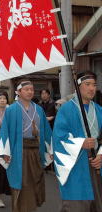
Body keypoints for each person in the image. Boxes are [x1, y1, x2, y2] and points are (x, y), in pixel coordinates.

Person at [0, 80, 53, 212]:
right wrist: (5, 152)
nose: (30, 92)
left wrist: (50, 149)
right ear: (18, 92)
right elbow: (5, 131)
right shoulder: (11, 109)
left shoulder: (38, 109)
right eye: (26, 89)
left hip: (36, 150)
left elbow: (46, 131)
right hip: (18, 151)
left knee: (35, 180)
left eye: (32, 89)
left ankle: (31, 209)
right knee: (21, 182)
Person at [53, 71, 102, 212]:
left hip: (97, 164)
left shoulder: (99, 110)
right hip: (75, 165)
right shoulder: (66, 110)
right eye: (87, 84)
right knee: (75, 206)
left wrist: (100, 155)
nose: (92, 88)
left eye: (94, 84)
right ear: (78, 86)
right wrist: (80, 143)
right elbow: (59, 138)